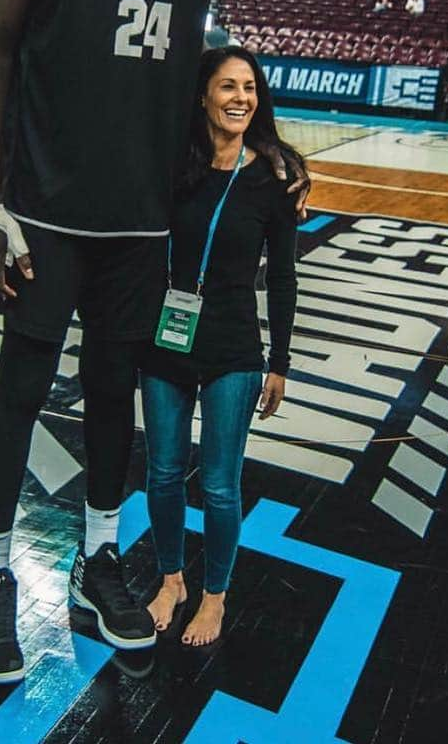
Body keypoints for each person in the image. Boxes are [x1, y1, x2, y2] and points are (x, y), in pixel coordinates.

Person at [0, 0, 306, 686]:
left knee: (115, 397)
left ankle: (98, 556)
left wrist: (265, 143)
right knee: (21, 392)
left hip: (142, 222)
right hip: (44, 210)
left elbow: (199, 62)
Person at [142, 48, 301, 646]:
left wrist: (279, 362)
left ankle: (214, 596)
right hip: (166, 340)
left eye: (250, 88)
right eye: (228, 86)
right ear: (203, 96)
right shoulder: (172, 165)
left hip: (234, 348)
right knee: (161, 474)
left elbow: (283, 278)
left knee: (218, 484)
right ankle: (171, 579)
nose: (241, 98)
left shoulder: (274, 178)